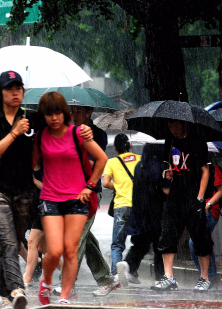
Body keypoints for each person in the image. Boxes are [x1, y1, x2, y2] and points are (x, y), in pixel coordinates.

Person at [34, 92, 107, 305]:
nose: (54, 118)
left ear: (64, 113)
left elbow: (102, 159)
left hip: (77, 199)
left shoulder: (78, 134)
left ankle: (64, 297)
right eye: (49, 114)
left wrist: (90, 186)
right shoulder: (40, 137)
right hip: (50, 198)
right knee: (54, 250)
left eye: (58, 112)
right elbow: (29, 164)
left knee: (70, 250)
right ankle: (46, 281)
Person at [0, 70, 43, 309]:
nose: (15, 92)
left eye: (18, 88)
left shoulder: (33, 118)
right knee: (7, 242)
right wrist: (15, 132)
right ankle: (17, 289)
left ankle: (2, 288)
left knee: (14, 243)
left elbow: (53, 136)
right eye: (9, 89)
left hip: (25, 191)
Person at [54, 105, 116, 297]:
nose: (75, 115)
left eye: (79, 111)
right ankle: (106, 279)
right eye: (72, 111)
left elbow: (96, 163)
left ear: (89, 113)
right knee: (85, 240)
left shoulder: (97, 134)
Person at [154, 119, 213, 292]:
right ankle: (169, 277)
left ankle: (205, 278)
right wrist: (168, 173)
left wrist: (200, 198)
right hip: (174, 197)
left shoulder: (197, 141)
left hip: (193, 196)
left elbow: (205, 171)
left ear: (185, 124)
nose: (173, 129)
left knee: (200, 237)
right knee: (167, 235)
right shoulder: (170, 140)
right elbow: (170, 165)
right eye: (170, 125)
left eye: (176, 125)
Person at [116, 143, 166, 287]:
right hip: (157, 213)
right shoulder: (160, 167)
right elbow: (164, 190)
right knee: (159, 246)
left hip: (140, 212)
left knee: (140, 244)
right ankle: (160, 277)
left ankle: (128, 265)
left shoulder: (140, 166)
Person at [102, 133, 141, 285]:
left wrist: (117, 187)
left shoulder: (112, 162)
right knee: (139, 242)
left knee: (117, 244)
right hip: (138, 207)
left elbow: (105, 183)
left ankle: (116, 276)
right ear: (130, 146)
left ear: (115, 148)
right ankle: (132, 270)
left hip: (121, 206)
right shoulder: (139, 159)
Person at [189, 161, 222, 287]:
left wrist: (208, 205)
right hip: (196, 211)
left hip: (209, 211)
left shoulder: (213, 168)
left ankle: (209, 277)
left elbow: (220, 190)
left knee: (196, 242)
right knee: (201, 242)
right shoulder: (192, 168)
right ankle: (209, 277)